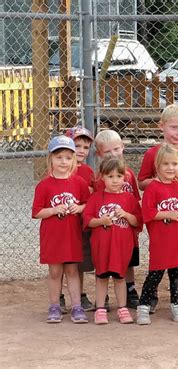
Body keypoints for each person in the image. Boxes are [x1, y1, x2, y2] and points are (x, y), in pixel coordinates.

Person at [137, 103, 178, 313]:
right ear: (162, 126)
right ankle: (152, 297)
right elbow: (142, 182)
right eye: (173, 127)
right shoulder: (153, 154)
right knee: (160, 256)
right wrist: (162, 181)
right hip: (162, 216)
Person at [32, 135, 90, 323]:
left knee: (72, 271)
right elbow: (37, 212)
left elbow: (88, 205)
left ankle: (77, 307)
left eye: (67, 157)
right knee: (55, 272)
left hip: (72, 236)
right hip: (53, 237)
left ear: (73, 159)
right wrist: (53, 209)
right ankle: (54, 306)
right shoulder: (44, 185)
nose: (63, 161)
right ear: (51, 159)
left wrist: (79, 208)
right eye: (59, 157)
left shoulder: (79, 183)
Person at [83, 157, 142, 324]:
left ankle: (122, 308)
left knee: (120, 277)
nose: (115, 180)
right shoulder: (96, 198)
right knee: (101, 277)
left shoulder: (129, 199)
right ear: (103, 177)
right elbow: (87, 221)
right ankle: (100, 308)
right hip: (102, 246)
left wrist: (126, 214)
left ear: (125, 177)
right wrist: (101, 221)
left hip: (122, 246)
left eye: (119, 176)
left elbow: (138, 221)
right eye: (110, 176)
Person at [94, 129, 141, 309]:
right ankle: (103, 295)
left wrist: (133, 222)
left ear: (123, 147)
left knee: (128, 259)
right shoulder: (99, 178)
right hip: (106, 228)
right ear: (99, 153)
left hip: (126, 225)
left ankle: (130, 289)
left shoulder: (128, 174)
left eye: (116, 149)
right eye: (107, 151)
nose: (113, 154)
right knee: (105, 260)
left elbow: (136, 200)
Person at [61, 126, 95, 313]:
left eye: (85, 147)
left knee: (78, 262)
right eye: (77, 145)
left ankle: (79, 295)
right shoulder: (60, 169)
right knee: (59, 263)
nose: (81, 150)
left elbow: (92, 199)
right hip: (60, 226)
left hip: (79, 226)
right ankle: (58, 296)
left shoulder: (88, 171)